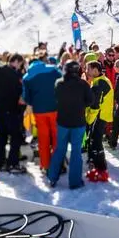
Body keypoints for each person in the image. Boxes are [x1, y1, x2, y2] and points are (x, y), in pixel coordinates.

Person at [48, 61, 92, 190]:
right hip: (78, 122)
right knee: (76, 152)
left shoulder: (59, 83)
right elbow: (90, 100)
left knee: (59, 150)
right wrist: (81, 104)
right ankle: (75, 182)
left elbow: (55, 98)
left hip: (63, 121)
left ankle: (52, 177)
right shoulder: (83, 84)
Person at [22, 57, 61, 170]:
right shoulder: (54, 70)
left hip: (39, 111)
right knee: (56, 136)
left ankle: (45, 164)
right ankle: (58, 163)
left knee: (43, 138)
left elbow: (26, 97)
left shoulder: (27, 77)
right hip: (55, 108)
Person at [0, 54, 27, 174]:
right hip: (12, 109)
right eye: (20, 63)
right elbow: (18, 92)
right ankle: (13, 163)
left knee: (1, 135)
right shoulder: (16, 75)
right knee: (15, 136)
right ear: (16, 61)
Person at [83, 61, 113, 182]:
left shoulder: (99, 83)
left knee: (96, 141)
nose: (86, 71)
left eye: (88, 69)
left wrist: (88, 120)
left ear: (95, 70)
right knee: (94, 139)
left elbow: (95, 105)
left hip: (99, 115)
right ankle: (95, 164)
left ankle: (101, 169)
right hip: (101, 115)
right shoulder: (100, 80)